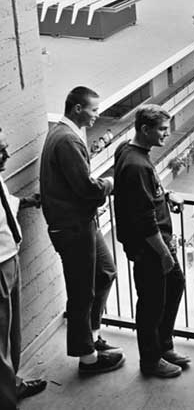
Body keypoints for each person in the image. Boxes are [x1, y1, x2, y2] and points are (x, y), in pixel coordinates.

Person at [40, 86, 123, 375]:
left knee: (105, 272)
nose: (96, 115)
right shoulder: (66, 140)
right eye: (93, 110)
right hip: (72, 228)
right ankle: (87, 359)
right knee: (81, 292)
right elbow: (87, 188)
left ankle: (91, 336)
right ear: (77, 108)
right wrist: (110, 183)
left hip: (80, 223)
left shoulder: (64, 135)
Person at [113, 105, 189, 378]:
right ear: (144, 129)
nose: (166, 135)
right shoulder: (135, 165)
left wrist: (165, 195)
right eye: (161, 129)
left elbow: (143, 195)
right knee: (151, 304)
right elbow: (144, 219)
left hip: (156, 244)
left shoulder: (129, 151)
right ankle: (151, 360)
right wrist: (164, 253)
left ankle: (163, 346)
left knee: (175, 286)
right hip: (151, 248)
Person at [0, 128, 47, 408]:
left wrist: (27, 201)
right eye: (0, 151)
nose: (7, 154)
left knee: (12, 331)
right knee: (0, 338)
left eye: (5, 148)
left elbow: (4, 206)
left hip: (11, 258)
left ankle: (12, 384)